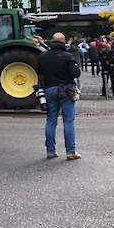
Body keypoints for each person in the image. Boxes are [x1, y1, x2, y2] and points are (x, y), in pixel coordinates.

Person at [36, 32, 82, 160]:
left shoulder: (43, 56)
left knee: (51, 120)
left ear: (52, 41)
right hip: (66, 90)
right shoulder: (68, 56)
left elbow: (39, 73)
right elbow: (75, 73)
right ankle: (70, 152)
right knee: (68, 121)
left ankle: (50, 151)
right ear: (63, 41)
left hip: (49, 90)